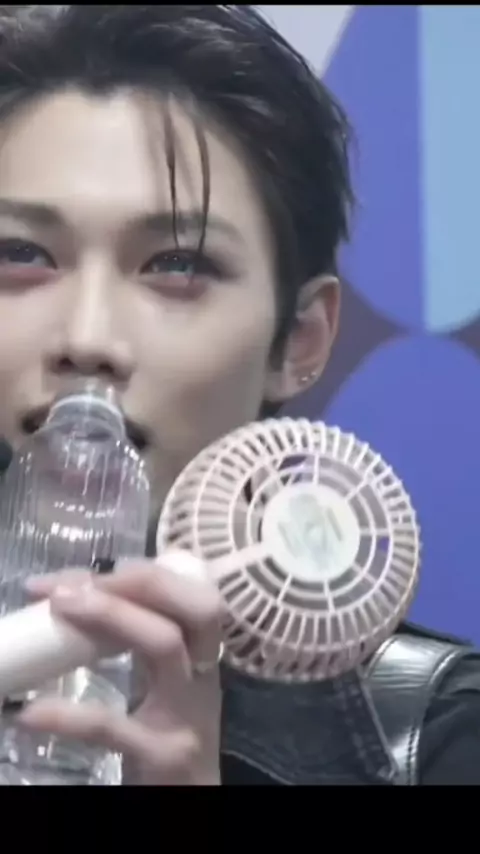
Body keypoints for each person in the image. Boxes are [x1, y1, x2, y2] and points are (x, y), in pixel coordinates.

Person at [0, 4, 478, 786]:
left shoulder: (439, 739)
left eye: (177, 265)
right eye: (21, 253)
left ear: (299, 341)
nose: (86, 338)